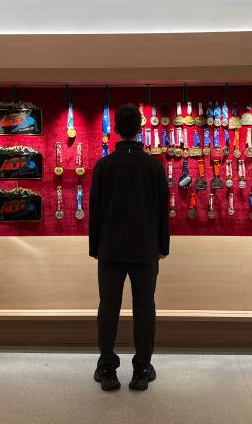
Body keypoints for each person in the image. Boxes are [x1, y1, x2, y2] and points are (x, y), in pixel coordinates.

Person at [88, 103, 170, 392]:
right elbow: (162, 210)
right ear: (140, 128)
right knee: (145, 308)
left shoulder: (104, 166)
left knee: (108, 307)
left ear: (116, 130)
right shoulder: (154, 166)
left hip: (110, 248)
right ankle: (141, 369)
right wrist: (162, 246)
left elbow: (95, 211)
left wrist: (95, 248)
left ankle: (107, 369)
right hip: (145, 248)